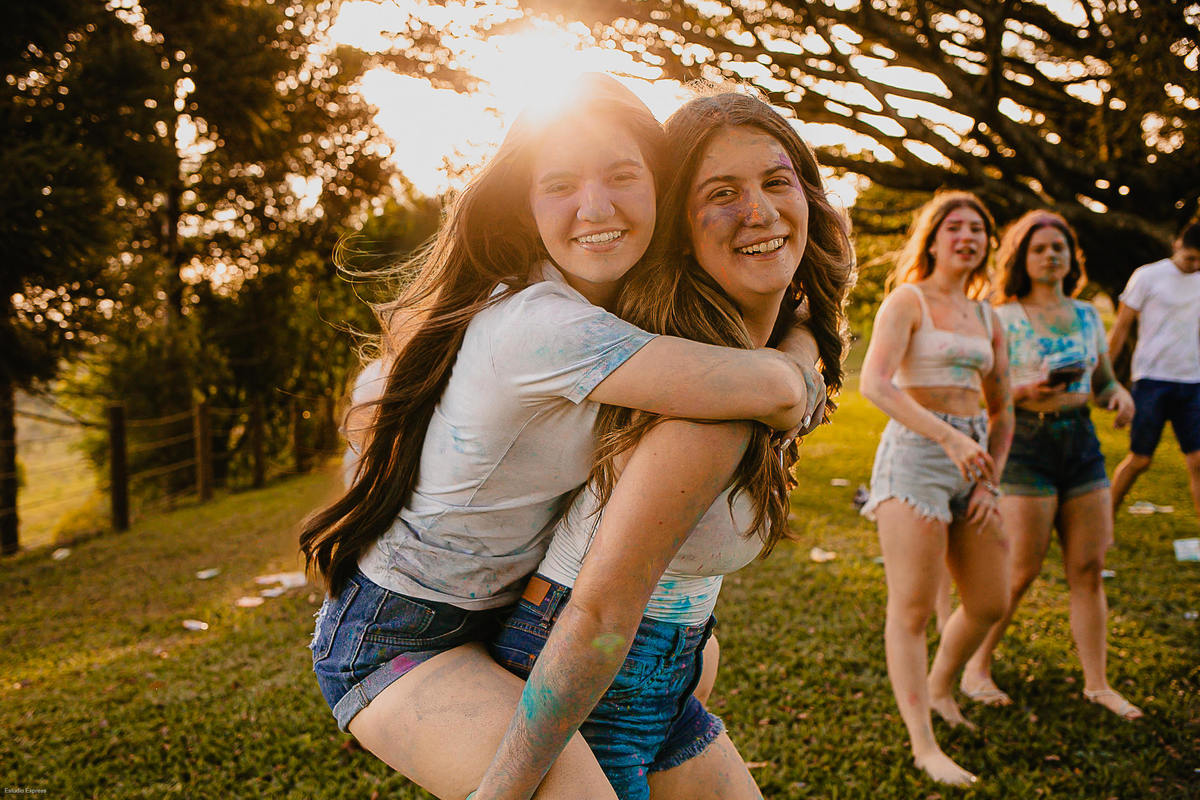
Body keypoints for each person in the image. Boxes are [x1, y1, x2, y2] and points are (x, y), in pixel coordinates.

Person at [299, 74, 826, 800]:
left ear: (657, 190)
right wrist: (803, 356)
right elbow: (767, 391)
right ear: (526, 204)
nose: (596, 207)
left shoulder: (624, 311)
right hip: (404, 636)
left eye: (622, 176)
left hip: (509, 613)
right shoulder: (542, 326)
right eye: (561, 186)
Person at [471, 91, 854, 800]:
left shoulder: (757, 359)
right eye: (721, 194)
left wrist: (801, 344)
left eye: (776, 182)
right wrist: (503, 791)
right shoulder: (709, 398)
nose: (760, 212)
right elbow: (598, 616)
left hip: (660, 680)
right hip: (586, 683)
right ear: (678, 222)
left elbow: (801, 386)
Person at [957, 210, 1141, 720]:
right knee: (1020, 570)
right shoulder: (1002, 315)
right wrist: (1023, 392)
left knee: (1087, 567)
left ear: (1070, 256)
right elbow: (979, 391)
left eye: (1059, 246)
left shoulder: (1086, 316)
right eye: (1039, 248)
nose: (1051, 254)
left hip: (1081, 442)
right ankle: (976, 667)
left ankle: (1098, 684)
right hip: (1025, 445)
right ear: (1021, 257)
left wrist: (1118, 395)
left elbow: (1102, 381)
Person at [858, 191, 1013, 786]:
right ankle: (925, 746)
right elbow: (875, 384)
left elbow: (1003, 409)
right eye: (956, 227)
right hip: (916, 458)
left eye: (978, 229)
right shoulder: (908, 299)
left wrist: (989, 483)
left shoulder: (988, 316)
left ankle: (942, 684)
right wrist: (947, 440)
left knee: (990, 601)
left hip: (973, 463)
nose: (967, 238)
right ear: (934, 237)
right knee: (914, 608)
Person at [1108, 222, 1200, 521]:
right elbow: (1121, 329)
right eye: (1190, 258)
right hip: (1151, 380)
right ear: (1176, 245)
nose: (1195, 265)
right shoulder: (1148, 276)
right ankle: (1103, 523)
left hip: (1192, 381)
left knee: (1198, 460)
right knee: (1140, 459)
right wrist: (1105, 379)